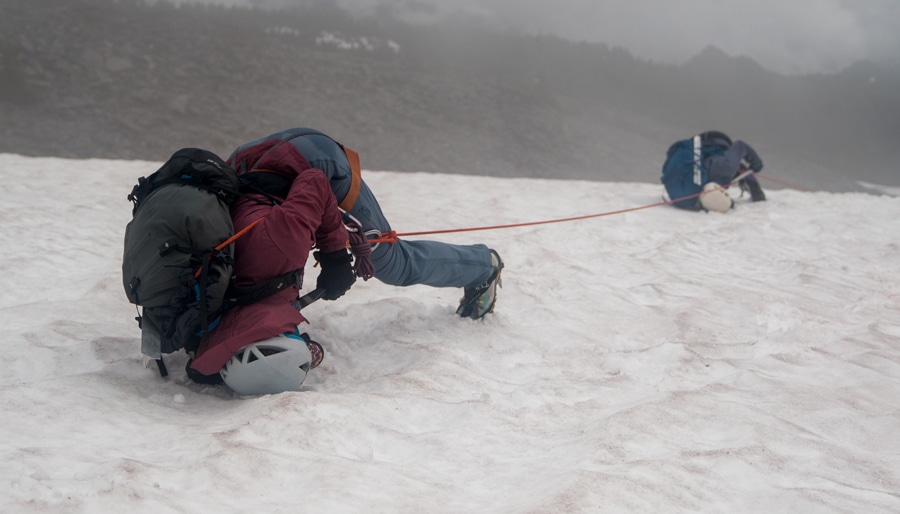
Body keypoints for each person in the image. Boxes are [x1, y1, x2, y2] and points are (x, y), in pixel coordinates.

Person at [226, 127, 504, 320]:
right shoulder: (198, 239)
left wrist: (335, 257)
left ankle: (482, 267)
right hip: (259, 158)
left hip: (316, 165)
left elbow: (315, 189)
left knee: (392, 261)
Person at [187, 146, 357, 389]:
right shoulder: (201, 325)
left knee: (395, 261)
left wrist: (336, 257)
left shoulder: (280, 246)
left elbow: (315, 179)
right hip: (228, 176)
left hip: (285, 152)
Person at [660, 130, 765, 212]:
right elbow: (740, 146)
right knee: (732, 166)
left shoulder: (696, 178)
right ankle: (755, 190)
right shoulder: (724, 166)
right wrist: (756, 165)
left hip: (700, 182)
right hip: (715, 173)